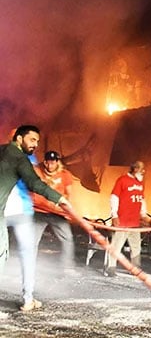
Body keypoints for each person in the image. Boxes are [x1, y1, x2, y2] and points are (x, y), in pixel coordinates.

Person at [0, 125, 72, 311]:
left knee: (22, 253)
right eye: (32, 140)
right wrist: (59, 198)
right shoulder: (22, 158)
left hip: (15, 212)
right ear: (18, 138)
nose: (35, 144)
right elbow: (34, 183)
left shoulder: (11, 153)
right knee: (12, 255)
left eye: (37, 141)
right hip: (19, 212)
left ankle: (28, 298)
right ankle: (28, 298)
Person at [32, 150, 76, 274]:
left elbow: (69, 193)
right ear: (45, 162)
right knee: (32, 240)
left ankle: (67, 267)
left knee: (67, 238)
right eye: (48, 162)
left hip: (57, 213)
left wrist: (66, 207)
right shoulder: (37, 171)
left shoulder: (65, 174)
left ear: (57, 162)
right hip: (39, 211)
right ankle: (29, 264)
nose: (50, 166)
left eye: (53, 162)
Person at [104, 161, 148, 277]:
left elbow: (141, 199)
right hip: (122, 221)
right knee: (116, 245)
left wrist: (143, 214)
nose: (143, 171)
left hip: (134, 222)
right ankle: (111, 268)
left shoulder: (140, 183)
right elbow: (114, 197)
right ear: (134, 169)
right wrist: (114, 215)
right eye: (141, 169)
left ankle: (135, 268)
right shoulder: (122, 180)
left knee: (136, 247)